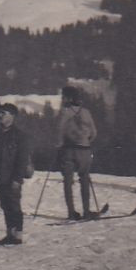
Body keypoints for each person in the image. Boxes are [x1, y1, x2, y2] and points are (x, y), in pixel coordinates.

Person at [0, 104, 33, 245]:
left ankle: (17, 236)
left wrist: (17, 179)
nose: (0, 115)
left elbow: (22, 160)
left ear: (12, 116)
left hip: (12, 178)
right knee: (5, 205)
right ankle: (9, 234)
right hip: (0, 177)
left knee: (14, 205)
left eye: (4, 113)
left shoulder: (20, 136)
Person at [56, 84, 99, 219]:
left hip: (68, 150)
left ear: (67, 98)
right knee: (84, 179)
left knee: (68, 181)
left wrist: (59, 143)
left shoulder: (64, 112)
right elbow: (94, 133)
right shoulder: (86, 112)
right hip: (84, 150)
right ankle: (86, 211)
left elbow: (59, 130)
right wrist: (86, 140)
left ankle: (71, 212)